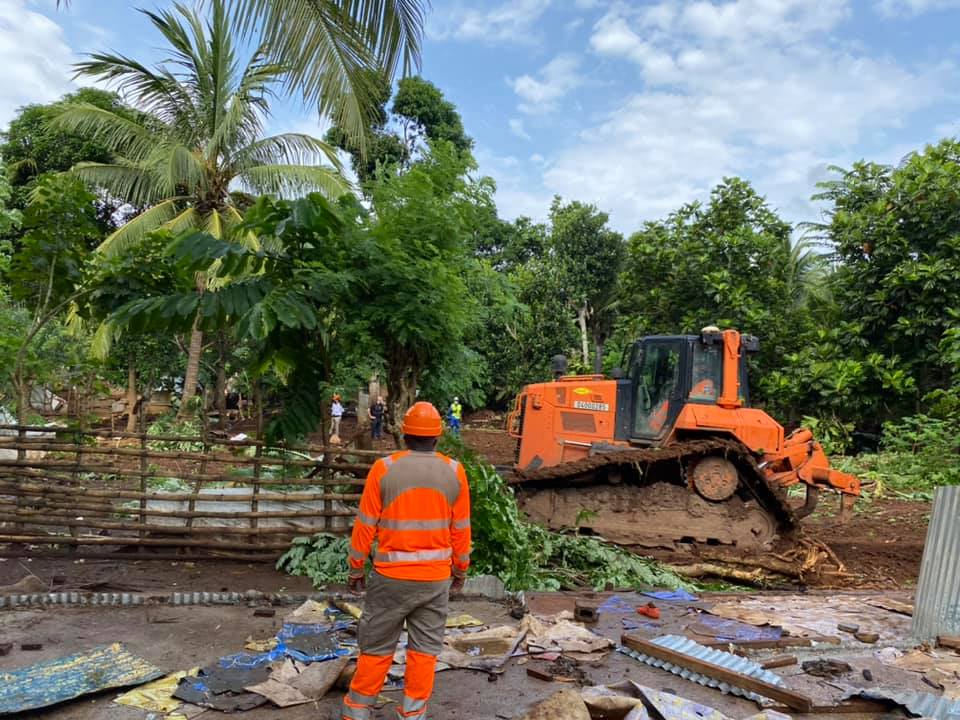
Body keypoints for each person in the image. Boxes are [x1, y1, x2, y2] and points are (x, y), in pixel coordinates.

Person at [341, 402, 471, 720]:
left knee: (376, 645)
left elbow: (364, 526)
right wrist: (460, 570)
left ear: (405, 435)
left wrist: (356, 568)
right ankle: (413, 714)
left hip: (390, 578)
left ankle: (358, 710)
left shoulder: (384, 469)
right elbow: (462, 530)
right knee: (425, 650)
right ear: (437, 437)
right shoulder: (455, 471)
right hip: (435, 580)